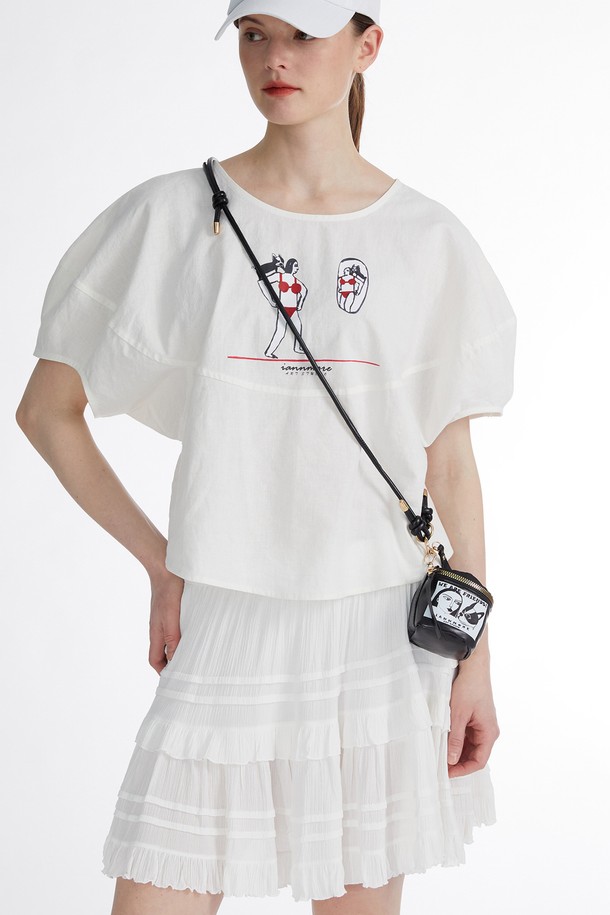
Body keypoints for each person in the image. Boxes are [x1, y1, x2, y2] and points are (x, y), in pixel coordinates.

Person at [15, 1, 517, 913]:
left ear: (367, 46)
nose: (275, 58)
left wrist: (474, 658)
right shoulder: (172, 216)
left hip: (378, 633)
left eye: (304, 34)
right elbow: (48, 413)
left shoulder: (426, 241)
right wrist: (162, 562)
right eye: (255, 34)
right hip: (227, 625)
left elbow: (448, 465)